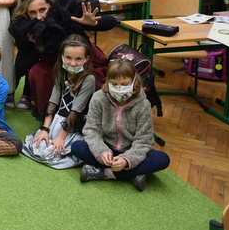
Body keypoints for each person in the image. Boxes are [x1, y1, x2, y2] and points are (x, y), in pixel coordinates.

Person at [10, 0, 116, 116]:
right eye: (32, 12)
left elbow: (112, 21)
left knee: (91, 81)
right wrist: (38, 49)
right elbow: (21, 68)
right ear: (26, 14)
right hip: (55, 66)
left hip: (82, 61)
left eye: (43, 10)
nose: (39, 17)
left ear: (50, 5)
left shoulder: (65, 14)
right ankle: (51, 110)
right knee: (37, 71)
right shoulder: (26, 29)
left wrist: (94, 24)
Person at [73, 59, 170, 191]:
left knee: (162, 159)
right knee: (77, 147)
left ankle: (104, 173)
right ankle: (133, 174)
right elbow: (91, 130)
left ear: (134, 81)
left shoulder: (143, 105)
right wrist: (102, 152)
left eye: (124, 84)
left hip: (131, 151)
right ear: (107, 81)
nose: (119, 88)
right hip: (107, 149)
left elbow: (144, 141)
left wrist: (127, 159)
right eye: (114, 84)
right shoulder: (98, 98)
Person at [23, 34, 96, 169]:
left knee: (51, 154)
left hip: (74, 125)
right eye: (68, 58)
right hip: (56, 121)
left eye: (78, 59)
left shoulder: (89, 79)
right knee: (38, 146)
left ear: (86, 59)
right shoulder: (61, 73)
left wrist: (61, 137)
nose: (72, 63)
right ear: (62, 56)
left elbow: (75, 111)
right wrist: (45, 129)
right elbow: (53, 102)